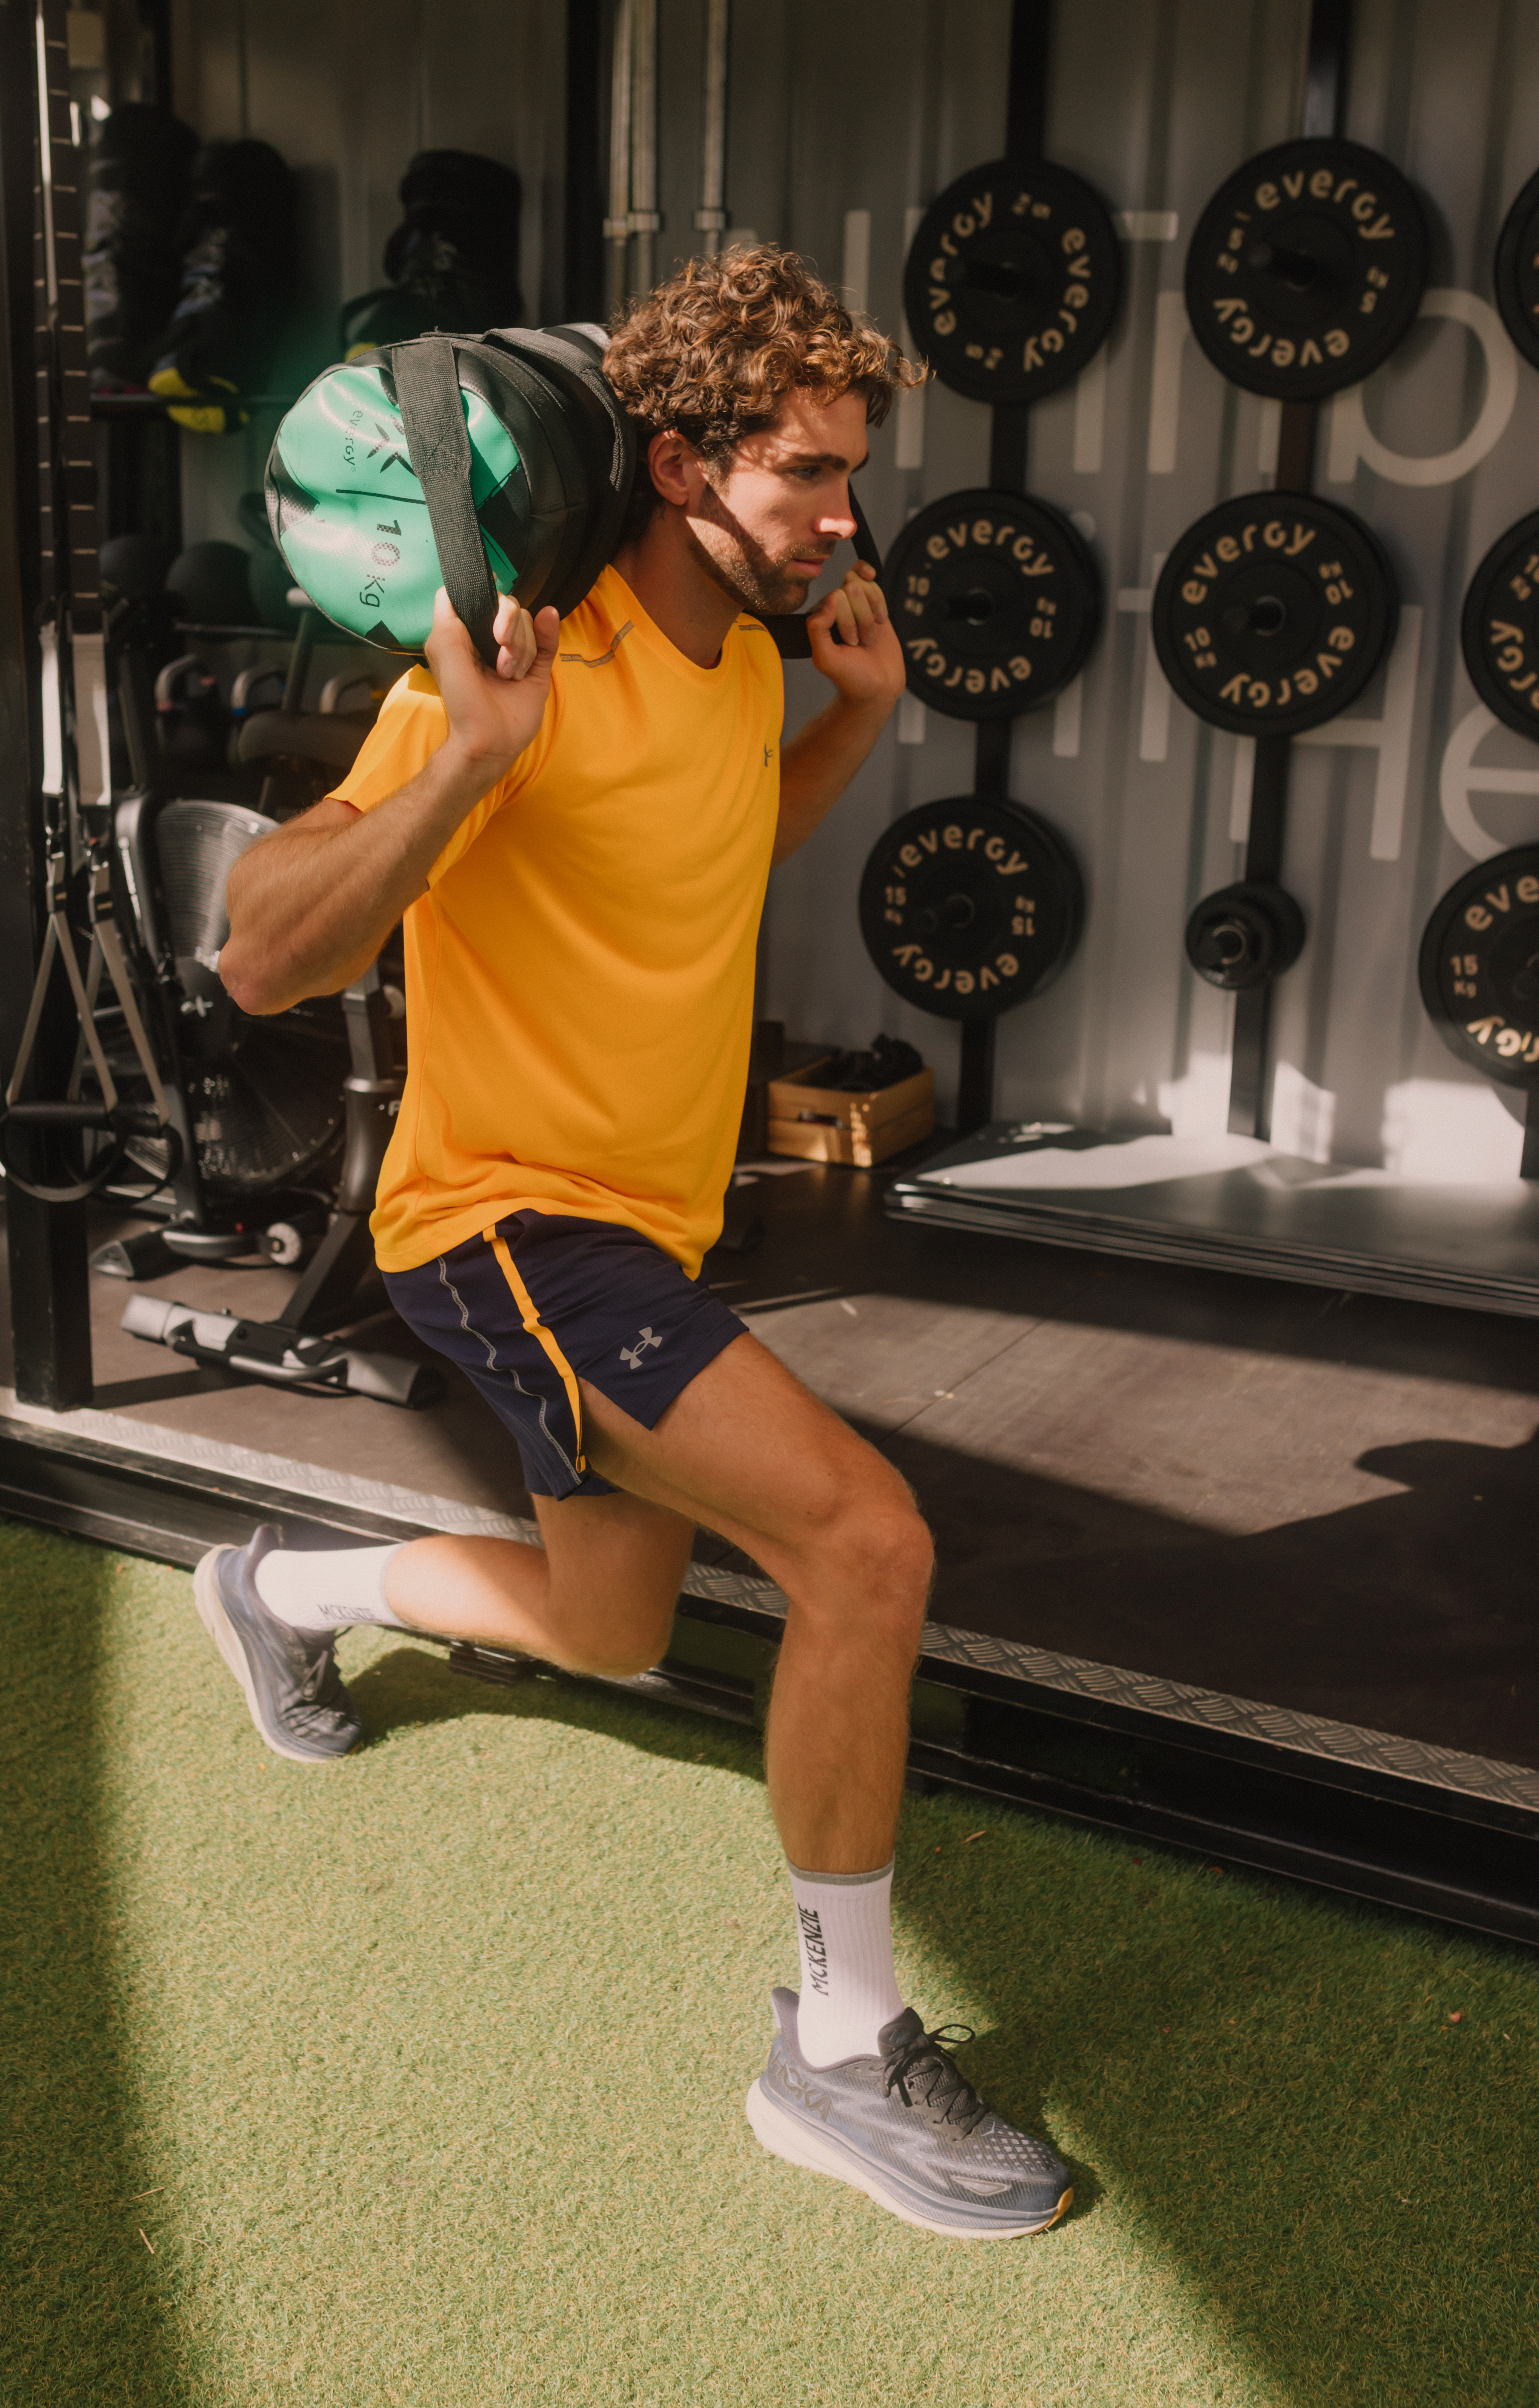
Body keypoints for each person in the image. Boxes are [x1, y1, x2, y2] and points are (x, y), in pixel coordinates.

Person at [198, 245, 1073, 2241]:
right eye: (803, 475)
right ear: (677, 469)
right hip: (503, 1220)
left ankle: (279, 1582)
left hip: (645, 1238)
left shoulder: (749, 661)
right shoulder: (514, 667)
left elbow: (703, 849)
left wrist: (853, 716)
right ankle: (838, 2057)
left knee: (610, 1630)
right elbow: (257, 953)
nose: (845, 515)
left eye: (849, 470)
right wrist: (476, 753)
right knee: (865, 1543)